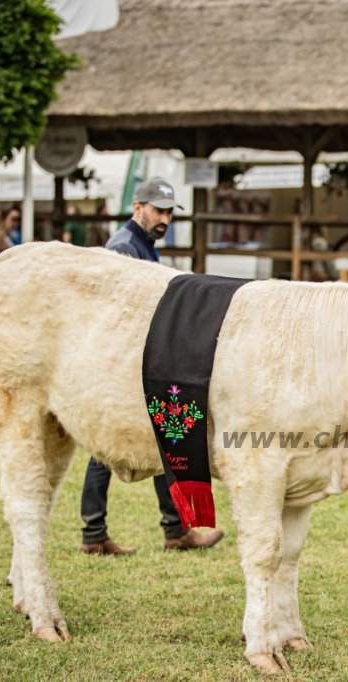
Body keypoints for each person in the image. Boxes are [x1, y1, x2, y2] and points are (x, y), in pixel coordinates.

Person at [84, 177, 224, 554]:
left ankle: (172, 529)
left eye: (168, 212)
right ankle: (97, 533)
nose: (164, 219)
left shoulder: (142, 246)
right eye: (158, 210)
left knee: (164, 438)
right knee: (106, 449)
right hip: (124, 363)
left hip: (140, 360)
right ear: (137, 207)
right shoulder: (124, 248)